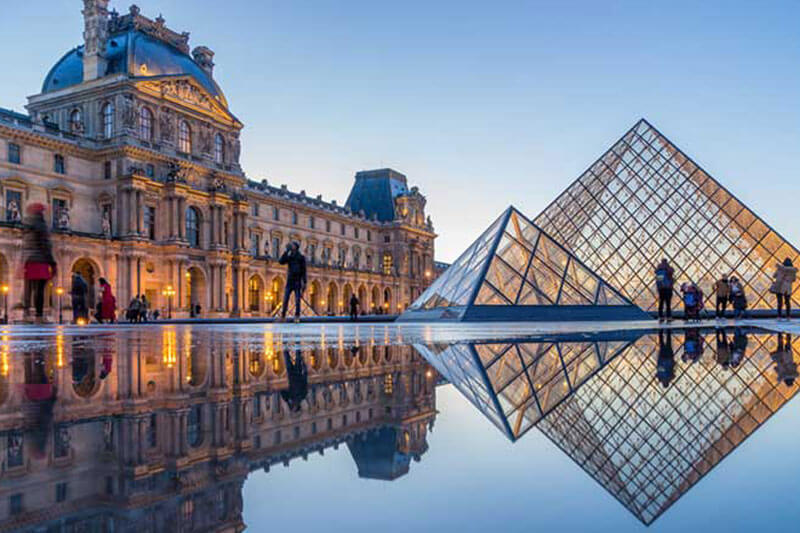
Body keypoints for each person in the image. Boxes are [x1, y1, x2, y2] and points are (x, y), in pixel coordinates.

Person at [23, 203, 56, 322]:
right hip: (41, 261)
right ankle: (39, 315)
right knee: (40, 290)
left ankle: (25, 313)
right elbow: (46, 244)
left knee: (29, 287)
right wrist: (52, 263)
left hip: (30, 260)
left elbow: (25, 244)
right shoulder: (42, 225)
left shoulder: (28, 224)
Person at [278, 242, 307, 323]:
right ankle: (283, 315)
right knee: (285, 298)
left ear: (296, 247)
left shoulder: (301, 257)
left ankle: (297, 316)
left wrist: (304, 282)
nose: (291, 246)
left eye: (293, 245)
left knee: (297, 300)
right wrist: (286, 251)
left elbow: (304, 270)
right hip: (290, 280)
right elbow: (281, 261)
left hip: (297, 280)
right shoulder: (290, 256)